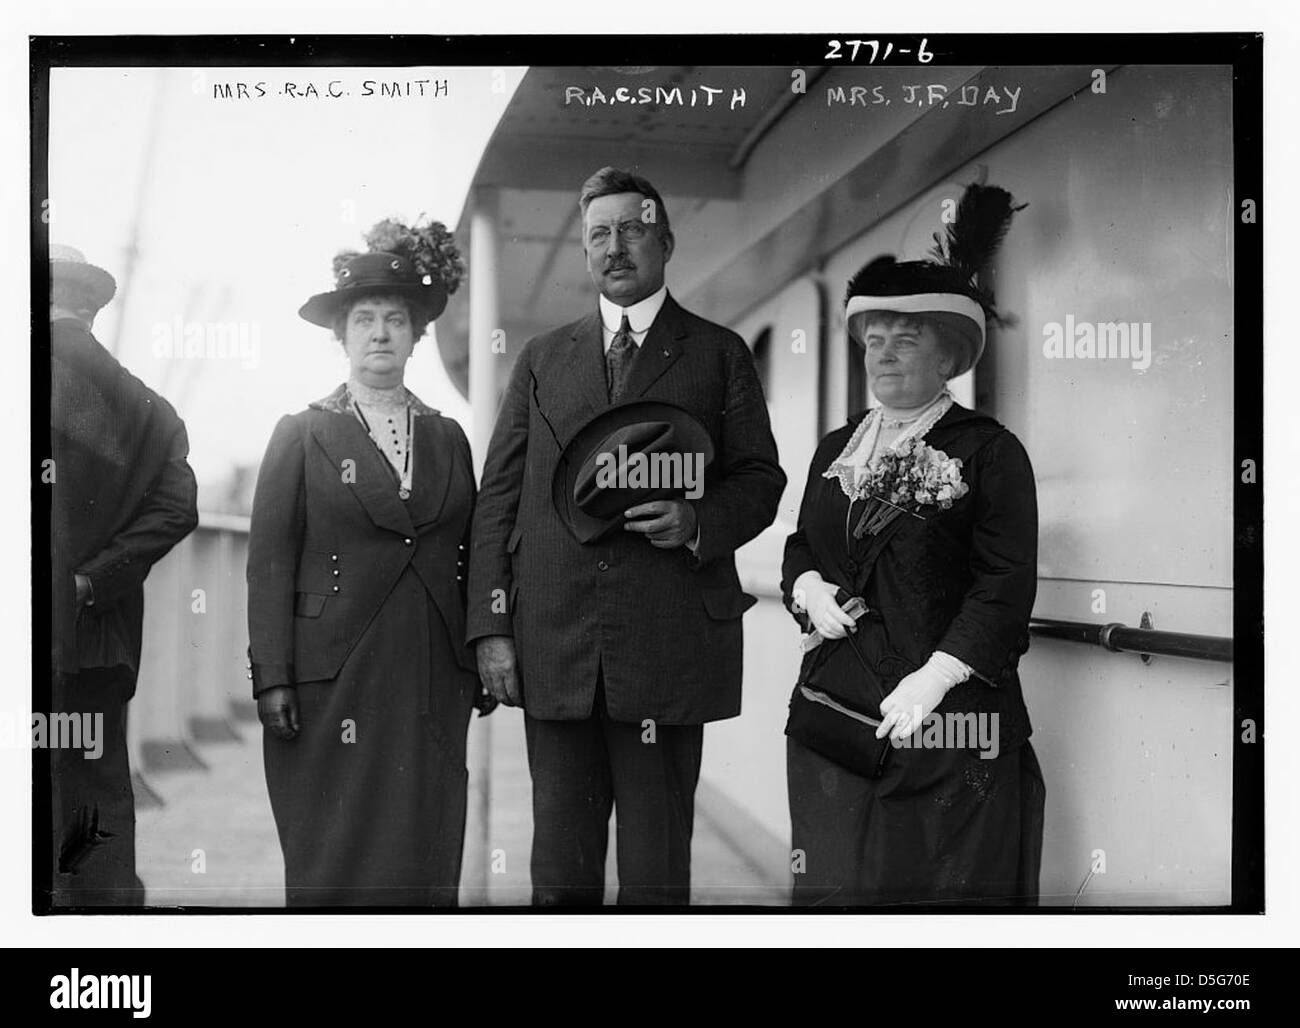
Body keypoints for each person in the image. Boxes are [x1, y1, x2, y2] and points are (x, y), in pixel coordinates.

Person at [468, 166, 786, 906]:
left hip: (667, 651)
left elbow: (760, 480)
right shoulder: (543, 360)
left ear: (665, 241)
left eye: (633, 229)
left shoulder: (717, 353)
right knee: (560, 878)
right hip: (557, 651)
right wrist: (491, 627)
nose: (616, 247)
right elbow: (498, 500)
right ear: (585, 255)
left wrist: (698, 521)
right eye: (599, 235)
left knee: (656, 877)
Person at [781, 184, 1046, 906]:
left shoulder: (988, 450)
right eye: (874, 339)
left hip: (946, 731)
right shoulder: (838, 447)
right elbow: (804, 544)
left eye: (907, 339)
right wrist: (805, 588)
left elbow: (1004, 583)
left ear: (948, 356)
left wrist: (937, 677)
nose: (885, 353)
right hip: (834, 721)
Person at [247, 218, 489, 907]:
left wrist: (478, 654)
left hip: (431, 674)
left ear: (416, 335)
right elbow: (268, 565)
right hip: (332, 675)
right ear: (341, 336)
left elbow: (469, 552)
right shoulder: (301, 433)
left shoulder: (449, 439)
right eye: (363, 320)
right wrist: (272, 678)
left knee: (425, 837)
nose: (380, 333)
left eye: (395, 319)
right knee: (334, 843)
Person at [48, 244, 199, 907]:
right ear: (92, 308)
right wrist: (91, 583)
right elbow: (177, 510)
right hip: (99, 642)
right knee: (95, 790)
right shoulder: (154, 411)